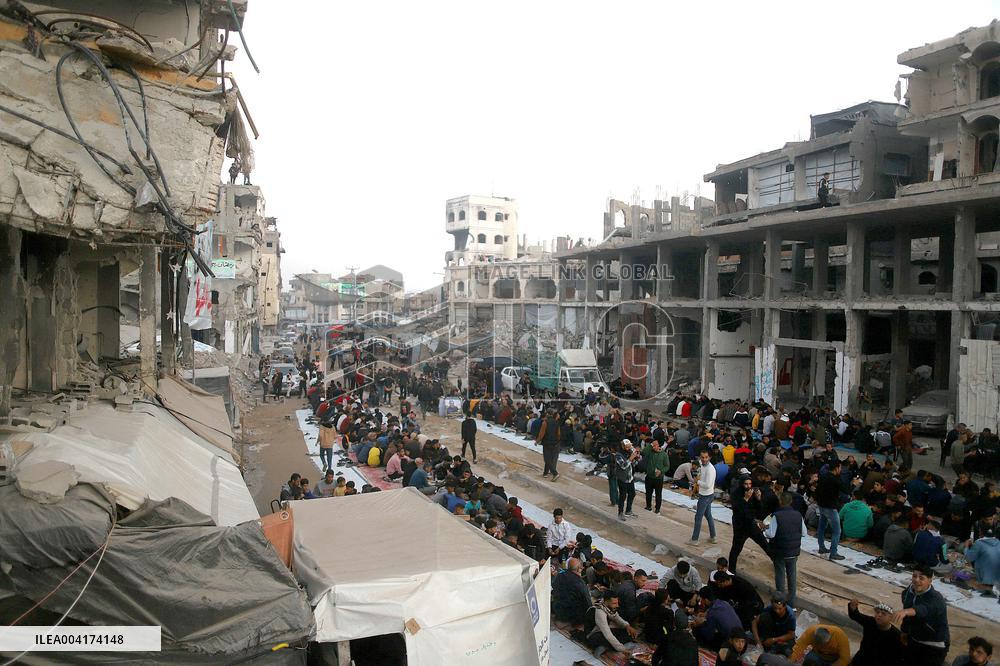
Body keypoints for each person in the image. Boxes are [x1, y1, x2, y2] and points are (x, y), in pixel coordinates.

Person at [894, 565, 949, 666]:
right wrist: (904, 631)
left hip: (934, 644)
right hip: (915, 639)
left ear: (930, 580)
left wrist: (906, 611)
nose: (916, 580)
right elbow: (907, 617)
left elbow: (923, 609)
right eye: (914, 576)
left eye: (921, 578)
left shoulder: (936, 598)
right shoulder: (908, 592)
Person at [764, 492, 806, 606]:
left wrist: (765, 529)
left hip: (779, 551)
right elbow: (804, 533)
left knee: (780, 576)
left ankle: (780, 601)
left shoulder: (777, 516)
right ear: (791, 502)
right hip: (793, 552)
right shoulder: (798, 515)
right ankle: (791, 603)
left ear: (780, 502)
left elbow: (771, 534)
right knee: (792, 577)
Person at [728, 475, 768, 573]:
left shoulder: (752, 493)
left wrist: (758, 499)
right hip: (740, 526)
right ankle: (731, 572)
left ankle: (778, 564)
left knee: (766, 545)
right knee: (736, 550)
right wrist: (745, 499)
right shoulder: (736, 494)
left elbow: (759, 511)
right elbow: (738, 511)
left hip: (751, 524)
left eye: (750, 484)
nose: (748, 486)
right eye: (746, 484)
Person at [847, 599, 903, 666]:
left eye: (883, 614)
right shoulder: (870, 622)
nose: (879, 615)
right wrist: (852, 607)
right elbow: (855, 615)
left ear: (890, 617)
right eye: (877, 612)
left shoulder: (897, 636)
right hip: (861, 660)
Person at [584, 591, 639, 658]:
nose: (617, 605)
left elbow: (616, 618)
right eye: (614, 603)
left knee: (625, 631)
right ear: (606, 602)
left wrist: (627, 626)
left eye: (617, 603)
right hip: (593, 634)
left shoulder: (606, 606)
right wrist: (623, 649)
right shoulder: (599, 612)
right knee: (608, 639)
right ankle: (602, 647)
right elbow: (608, 634)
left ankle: (608, 647)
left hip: (600, 630)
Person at [691, 586, 742, 651]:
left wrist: (699, 624)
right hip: (743, 642)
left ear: (706, 600)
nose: (701, 602)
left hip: (732, 647)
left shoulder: (712, 612)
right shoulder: (725, 603)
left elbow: (709, 634)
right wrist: (706, 614)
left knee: (697, 630)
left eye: (701, 599)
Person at [816, 464, 846, 561]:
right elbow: (846, 490)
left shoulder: (823, 476)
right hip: (830, 507)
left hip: (821, 505)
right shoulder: (834, 479)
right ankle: (833, 552)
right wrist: (854, 484)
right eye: (840, 468)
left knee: (822, 527)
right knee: (837, 531)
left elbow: (817, 490)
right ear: (836, 468)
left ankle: (821, 547)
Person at [689, 450, 718, 544]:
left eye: (706, 457)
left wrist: (697, 481)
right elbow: (698, 467)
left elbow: (708, 485)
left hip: (706, 496)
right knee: (708, 515)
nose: (704, 459)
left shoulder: (710, 469)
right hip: (706, 494)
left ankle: (694, 539)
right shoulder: (702, 464)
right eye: (702, 457)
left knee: (698, 517)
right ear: (700, 457)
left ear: (709, 457)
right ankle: (713, 537)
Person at [552, 558, 591, 627]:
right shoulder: (579, 582)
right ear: (579, 569)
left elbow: (554, 587)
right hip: (571, 615)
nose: (582, 568)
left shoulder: (559, 575)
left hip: (557, 610)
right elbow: (587, 601)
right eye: (581, 566)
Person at [615, 439, 640, 521]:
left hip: (630, 478)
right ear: (623, 447)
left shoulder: (629, 452)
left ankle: (628, 511)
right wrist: (630, 458)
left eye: (630, 446)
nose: (629, 448)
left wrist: (636, 458)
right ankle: (620, 512)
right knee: (623, 496)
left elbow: (634, 464)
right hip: (622, 479)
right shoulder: (618, 455)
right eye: (627, 447)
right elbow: (623, 466)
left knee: (632, 494)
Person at [644, 437, 670, 513]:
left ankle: (657, 509)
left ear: (659, 445)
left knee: (658, 494)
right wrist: (651, 445)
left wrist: (661, 471)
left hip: (659, 478)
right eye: (653, 445)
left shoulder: (664, 455)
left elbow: (667, 466)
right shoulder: (650, 452)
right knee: (648, 493)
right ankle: (648, 506)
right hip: (649, 476)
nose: (654, 447)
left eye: (656, 445)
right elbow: (643, 452)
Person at [536, 409, 562, 481]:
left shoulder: (545, 422)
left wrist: (537, 441)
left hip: (547, 443)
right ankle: (545, 473)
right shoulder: (556, 422)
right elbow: (559, 434)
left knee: (547, 459)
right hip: (555, 443)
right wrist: (557, 441)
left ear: (547, 414)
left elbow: (541, 433)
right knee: (550, 458)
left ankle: (555, 473)